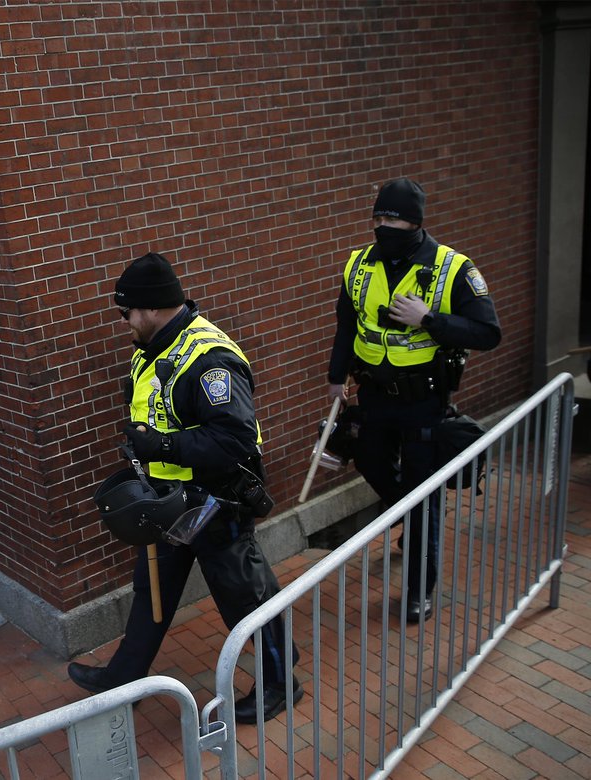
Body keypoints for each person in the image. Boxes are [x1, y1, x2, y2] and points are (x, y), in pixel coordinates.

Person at [67, 252, 301, 724]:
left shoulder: (209, 358)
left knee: (246, 596)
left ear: (151, 308)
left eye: (126, 312)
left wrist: (163, 446)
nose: (125, 321)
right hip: (167, 504)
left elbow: (235, 440)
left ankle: (280, 684)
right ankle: (123, 682)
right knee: (151, 590)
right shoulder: (150, 350)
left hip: (216, 506)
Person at [326, 178, 501, 622]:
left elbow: (488, 333)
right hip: (372, 396)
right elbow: (347, 325)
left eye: (393, 218)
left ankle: (420, 589)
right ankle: (411, 515)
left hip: (424, 401)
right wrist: (335, 379)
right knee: (370, 461)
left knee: (424, 497)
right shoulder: (358, 265)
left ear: (416, 222)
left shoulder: (453, 268)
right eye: (378, 217)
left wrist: (429, 320)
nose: (383, 225)